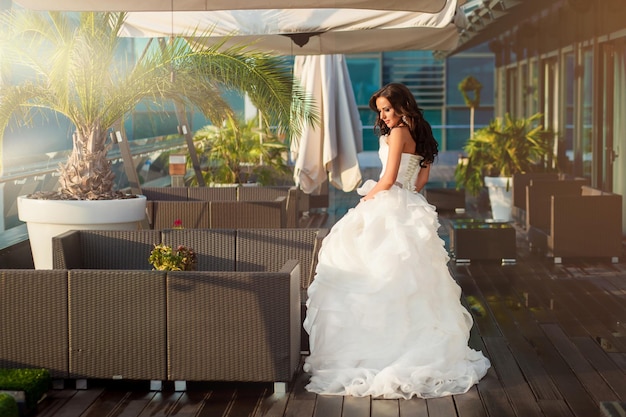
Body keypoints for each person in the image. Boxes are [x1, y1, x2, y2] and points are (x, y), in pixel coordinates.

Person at [302, 83, 490, 399]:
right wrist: (408, 196)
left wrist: (364, 202)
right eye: (380, 111)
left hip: (390, 201)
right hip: (408, 201)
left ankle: (380, 348)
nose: (385, 116)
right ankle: (407, 342)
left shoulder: (400, 131)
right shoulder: (422, 132)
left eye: (388, 109)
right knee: (407, 280)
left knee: (379, 273)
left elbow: (388, 179)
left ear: (403, 105)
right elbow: (422, 180)